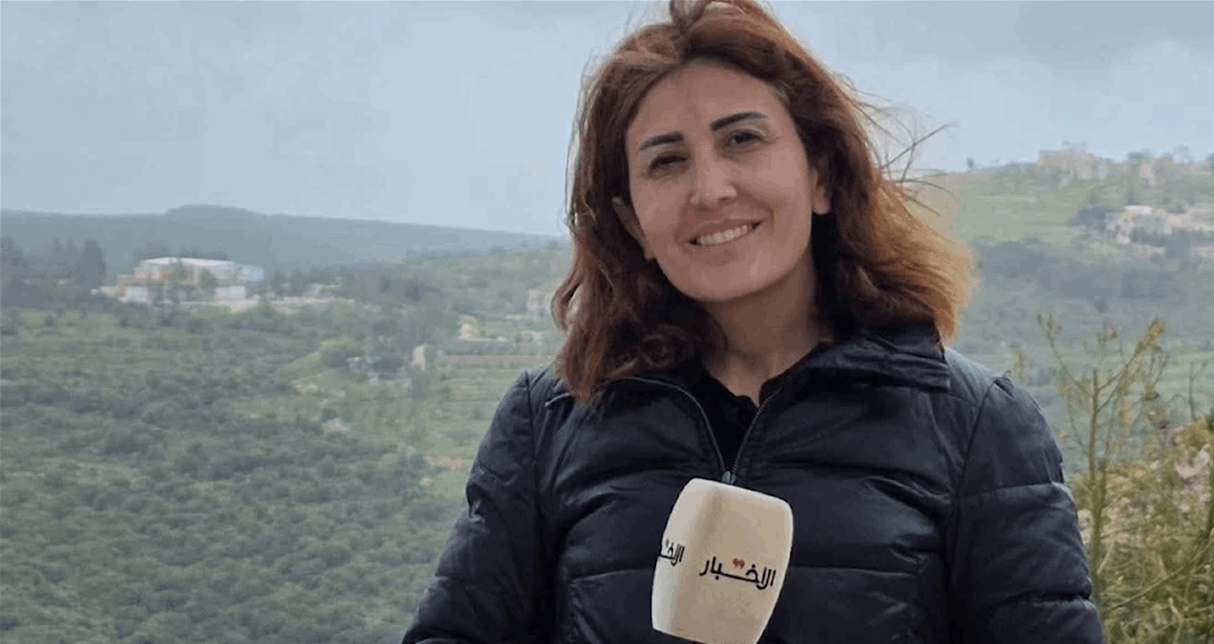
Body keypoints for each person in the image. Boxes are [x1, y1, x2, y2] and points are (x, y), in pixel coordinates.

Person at [401, 0, 1104, 641]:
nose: (710, 189)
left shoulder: (976, 426)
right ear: (633, 222)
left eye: (742, 140)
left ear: (821, 174)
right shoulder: (547, 425)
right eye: (667, 161)